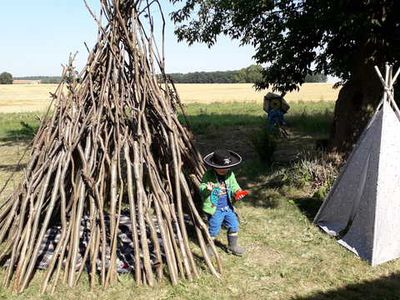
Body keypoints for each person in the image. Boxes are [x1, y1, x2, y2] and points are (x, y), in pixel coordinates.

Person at [200, 149, 248, 256]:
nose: (223, 170)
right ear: (213, 165)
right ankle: (210, 247)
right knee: (214, 228)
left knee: (234, 225)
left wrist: (238, 192)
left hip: (228, 207)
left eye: (226, 167)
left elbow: (235, 185)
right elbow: (201, 188)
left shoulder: (230, 174)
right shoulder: (208, 175)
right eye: (220, 168)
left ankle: (233, 246)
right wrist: (207, 188)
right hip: (215, 208)